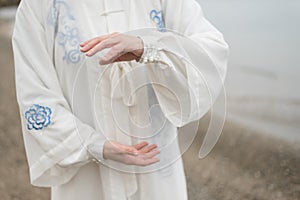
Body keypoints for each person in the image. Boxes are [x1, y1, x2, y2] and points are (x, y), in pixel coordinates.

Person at [12, 0, 229, 199]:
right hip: (86, 175)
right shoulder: (39, 6)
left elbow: (211, 49)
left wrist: (147, 46)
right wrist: (94, 145)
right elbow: (34, 93)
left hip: (156, 169)